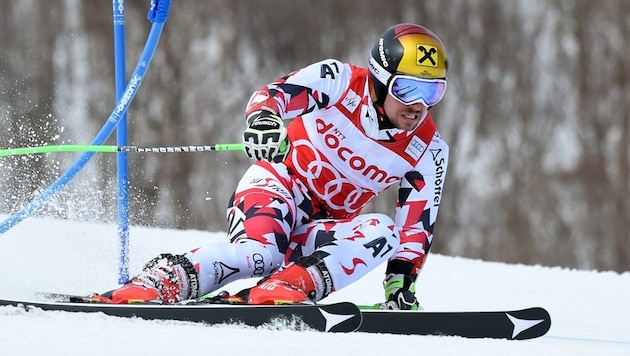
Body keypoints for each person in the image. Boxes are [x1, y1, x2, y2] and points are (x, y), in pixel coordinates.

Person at [94, 23, 449, 310]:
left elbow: (416, 226)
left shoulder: (428, 149)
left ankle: (282, 289)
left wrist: (400, 285)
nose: (418, 106)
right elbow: (275, 94)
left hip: (315, 230)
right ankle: (160, 282)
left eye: (432, 93)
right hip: (276, 188)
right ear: (380, 79)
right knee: (259, 254)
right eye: (407, 89)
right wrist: (264, 120)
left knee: (384, 232)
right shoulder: (338, 81)